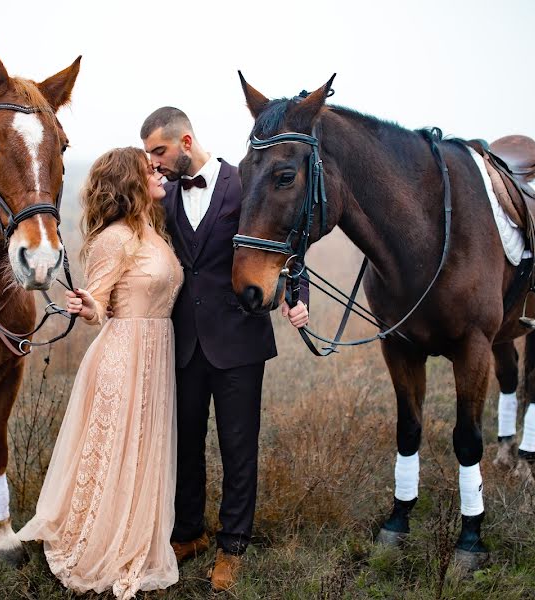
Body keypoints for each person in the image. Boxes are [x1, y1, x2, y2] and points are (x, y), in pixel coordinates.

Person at [140, 107, 309, 591]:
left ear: (185, 141)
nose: (154, 163)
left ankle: (233, 545)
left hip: (239, 339)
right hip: (183, 341)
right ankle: (188, 533)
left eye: (159, 151)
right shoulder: (164, 195)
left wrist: (299, 296)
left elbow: (286, 241)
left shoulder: (245, 183)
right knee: (185, 443)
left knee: (238, 448)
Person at [17, 147, 182, 600]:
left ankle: (138, 532)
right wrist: (89, 305)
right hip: (124, 355)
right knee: (114, 453)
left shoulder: (153, 230)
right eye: (151, 169)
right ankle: (95, 542)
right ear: (132, 180)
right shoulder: (115, 239)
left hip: (157, 355)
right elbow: (98, 305)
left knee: (142, 450)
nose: (159, 173)